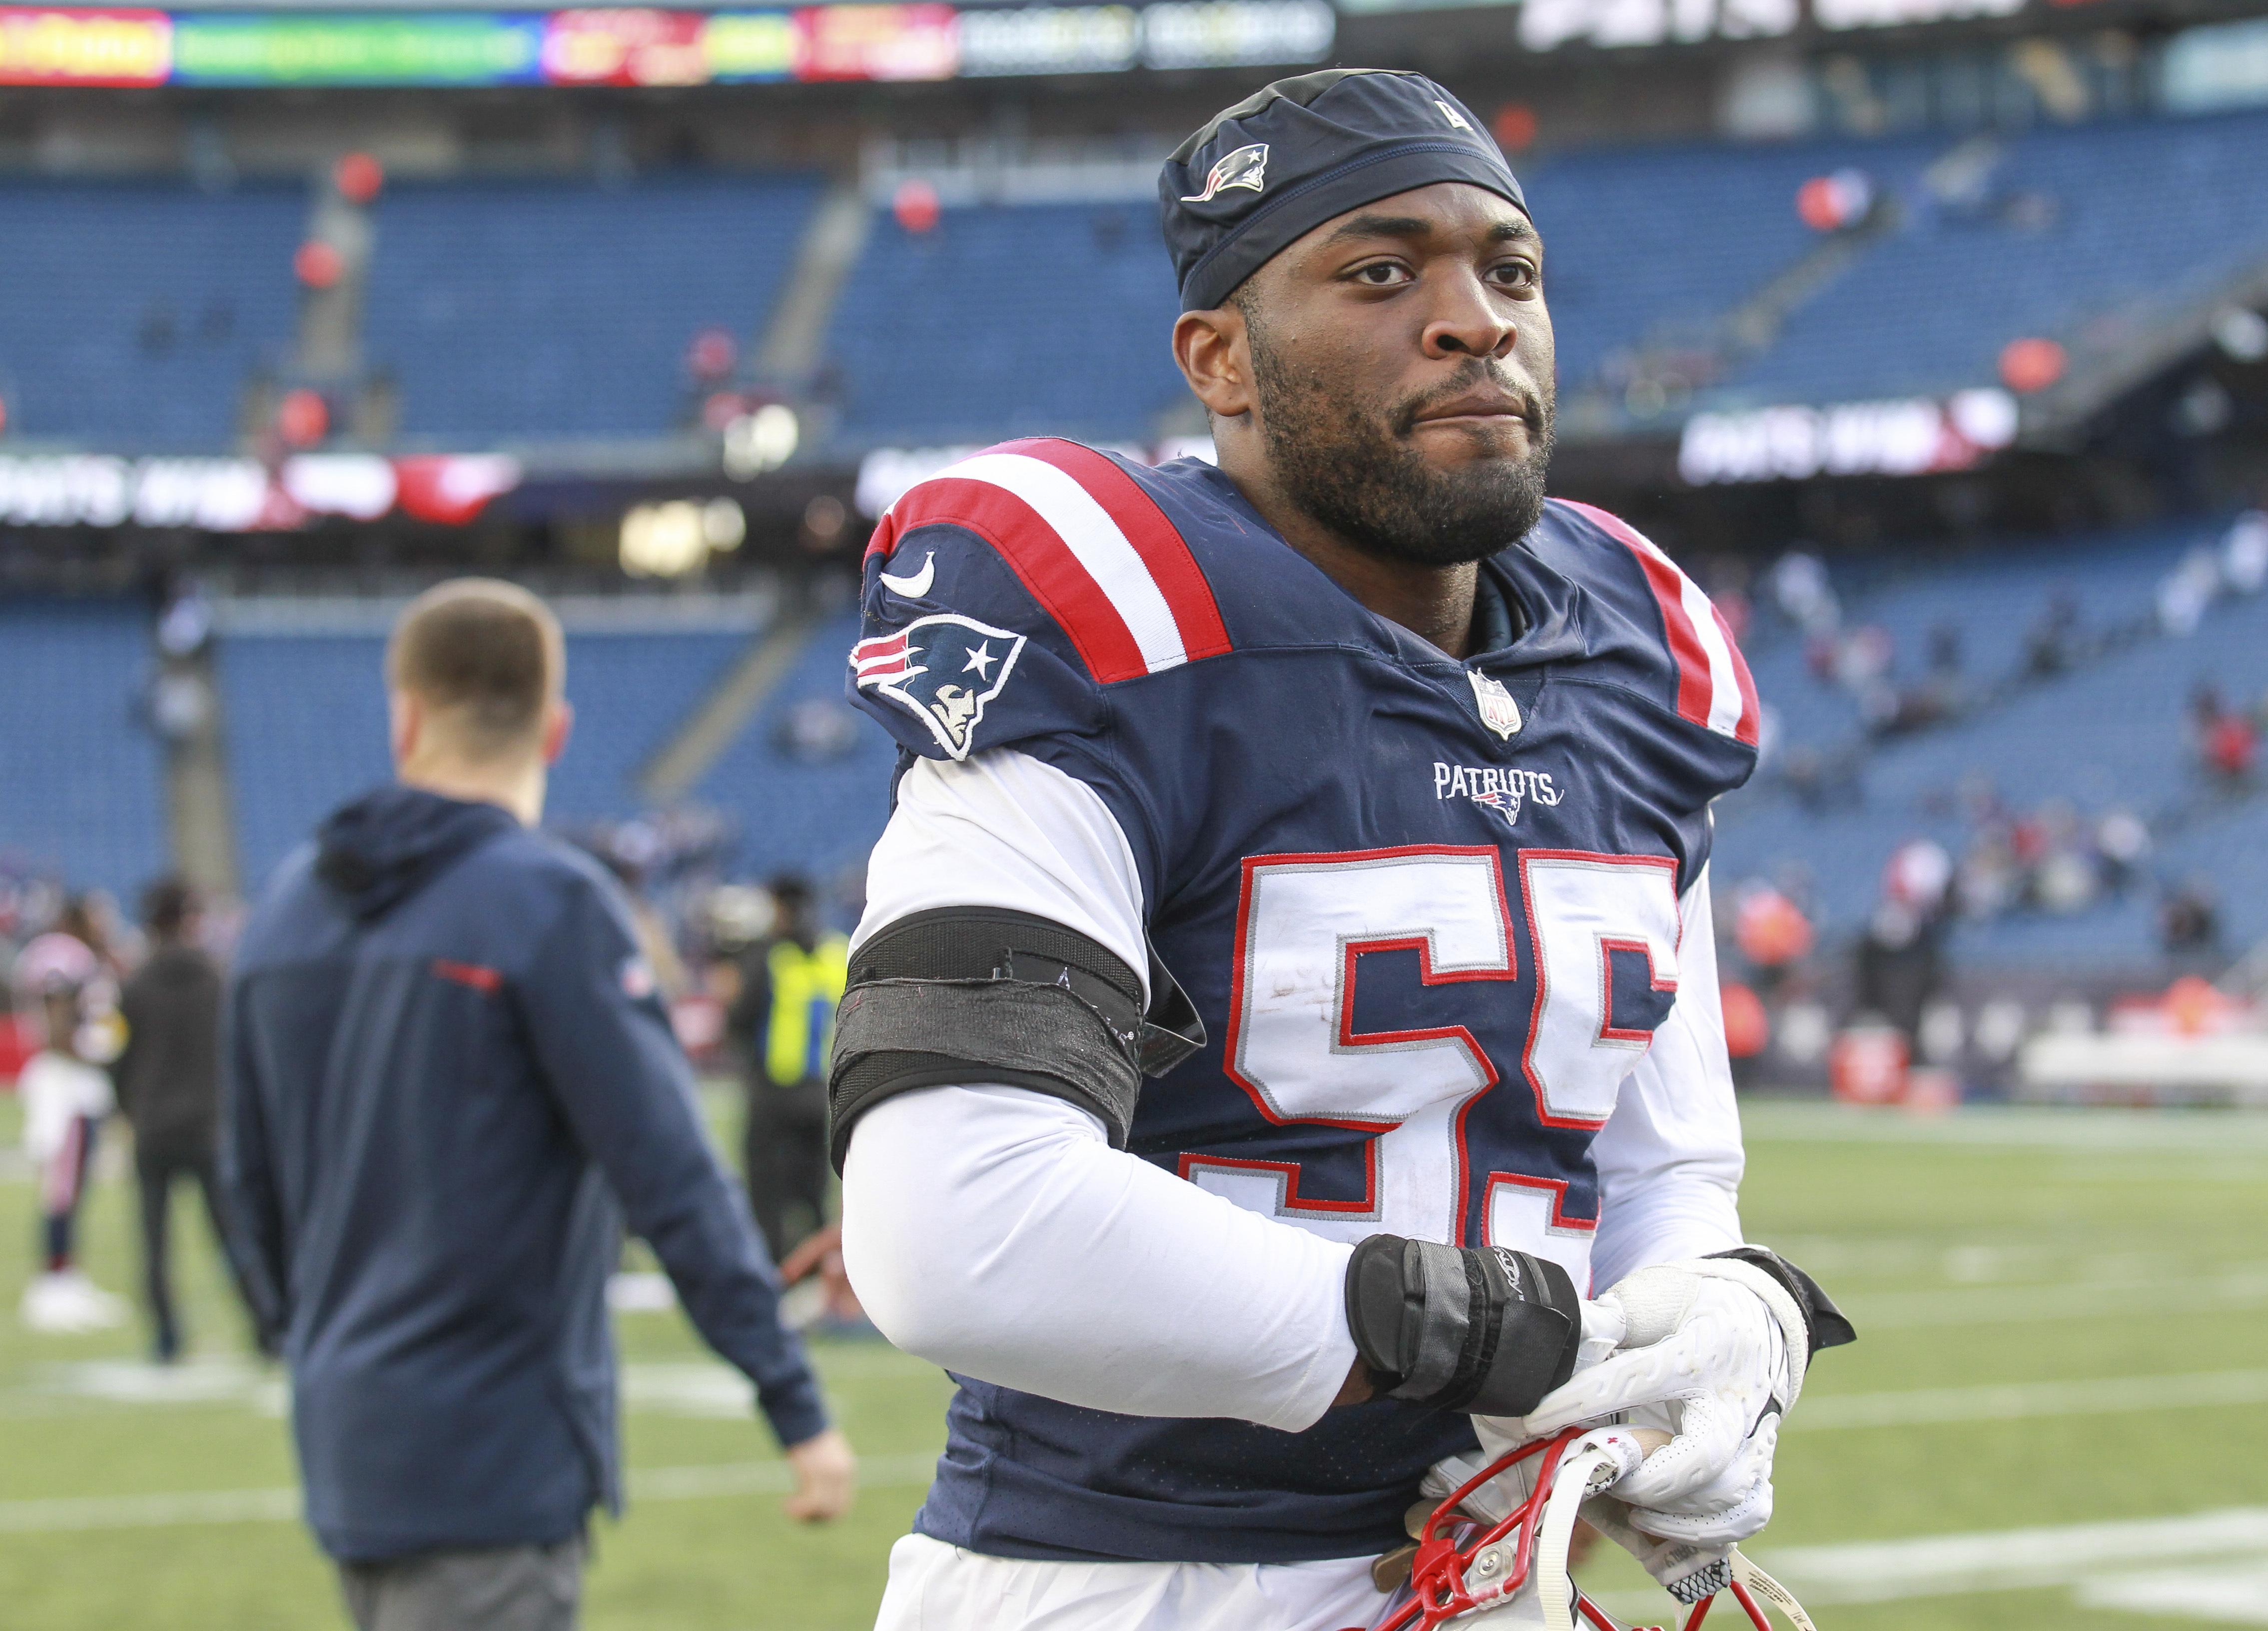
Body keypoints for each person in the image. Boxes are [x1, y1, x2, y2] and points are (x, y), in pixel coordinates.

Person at [829, 71, 1850, 1631]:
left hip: (1480, 1568)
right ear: (1220, 358)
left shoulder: (1642, 650)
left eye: (1508, 270)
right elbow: (953, 1215)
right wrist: (1492, 1336)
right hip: (1126, 1581)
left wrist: (1713, 1330)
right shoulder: (1120, 616)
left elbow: (1663, 1165)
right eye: (1382, 273)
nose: (1472, 319)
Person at [221, 578, 853, 1631]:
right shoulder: (547, 903)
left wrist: (316, 1341)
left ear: (405, 717)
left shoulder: (287, 905)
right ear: (555, 730)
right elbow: (670, 1175)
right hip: (493, 1445)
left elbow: (250, 1181)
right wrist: (792, 1400)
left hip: (348, 1435)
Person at [115, 877, 264, 1362]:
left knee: (155, 1243)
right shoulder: (217, 980)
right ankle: (265, 1325)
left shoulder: (133, 984)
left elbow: (118, 1058)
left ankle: (166, 1337)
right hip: (208, 1125)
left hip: (153, 1125)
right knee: (233, 1234)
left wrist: (129, 1109)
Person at [729, 873, 849, 1265]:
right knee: (812, 1191)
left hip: (772, 1091)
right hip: (819, 1092)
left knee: (766, 1192)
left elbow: (739, 1018)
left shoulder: (768, 953)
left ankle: (773, 1269)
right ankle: (817, 1274)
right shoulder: (837, 951)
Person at [16, 970, 124, 1333]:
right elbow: (76, 1044)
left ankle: (66, 1277)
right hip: (66, 1109)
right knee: (60, 1199)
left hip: (76, 1106)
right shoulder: (58, 1042)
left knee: (71, 1198)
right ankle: (54, 1283)